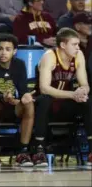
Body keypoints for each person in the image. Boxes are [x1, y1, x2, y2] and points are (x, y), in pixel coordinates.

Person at [34, 27, 92, 166]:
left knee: (88, 102)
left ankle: (91, 150)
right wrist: (72, 94)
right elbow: (44, 88)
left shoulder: (79, 56)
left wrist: (82, 92)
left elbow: (85, 83)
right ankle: (39, 150)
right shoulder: (50, 56)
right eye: (74, 44)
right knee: (44, 100)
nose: (78, 47)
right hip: (45, 102)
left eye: (78, 44)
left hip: (65, 102)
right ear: (63, 45)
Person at [0, 33, 35, 167]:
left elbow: (22, 91)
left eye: (8, 49)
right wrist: (3, 97)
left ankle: (23, 151)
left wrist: (25, 96)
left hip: (12, 104)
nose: (3, 53)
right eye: (0, 49)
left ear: (14, 51)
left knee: (29, 105)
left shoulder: (20, 64)